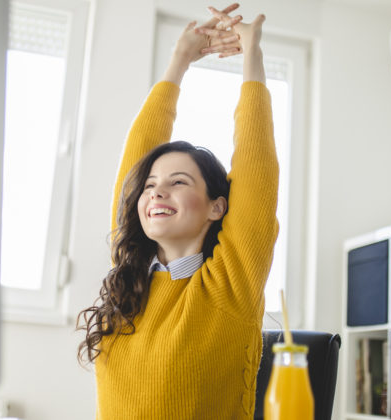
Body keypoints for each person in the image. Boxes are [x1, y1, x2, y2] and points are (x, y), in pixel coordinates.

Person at [77, 4, 278, 419]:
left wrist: (253, 54)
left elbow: (257, 168)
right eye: (150, 186)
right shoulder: (130, 281)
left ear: (217, 207)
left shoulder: (229, 284)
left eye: (178, 182)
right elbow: (136, 166)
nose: (156, 193)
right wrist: (179, 60)